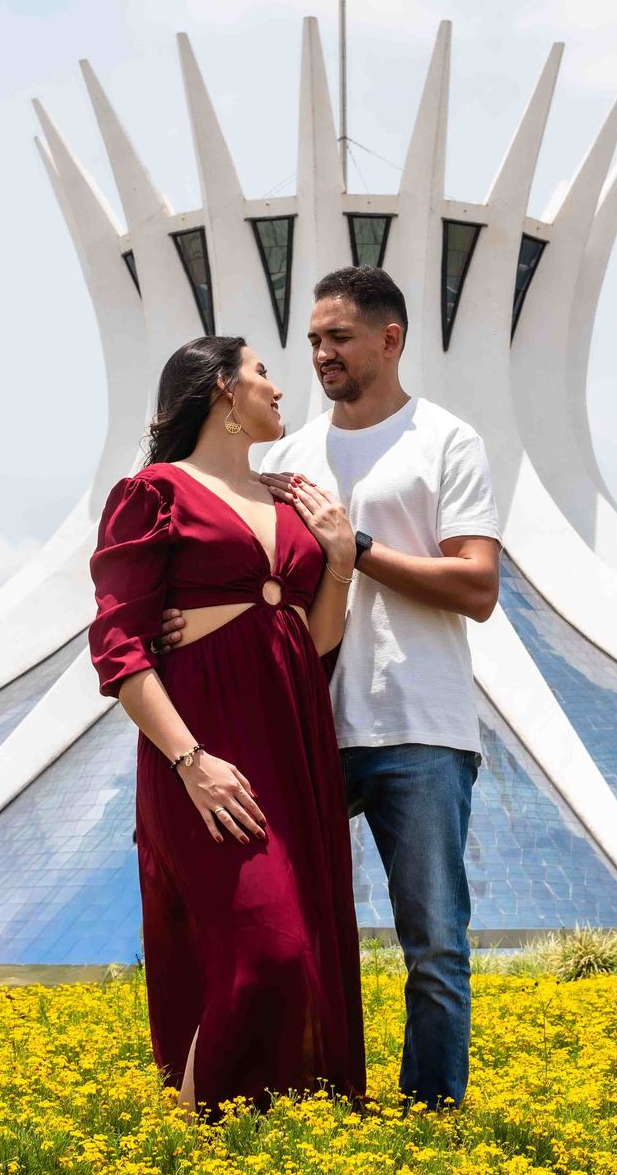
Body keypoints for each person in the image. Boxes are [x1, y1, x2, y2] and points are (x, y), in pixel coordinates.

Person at [160, 267, 500, 1109]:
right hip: (298, 723)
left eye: (339, 337)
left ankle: (432, 1117)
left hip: (418, 727)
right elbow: (252, 573)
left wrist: (358, 549)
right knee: (280, 923)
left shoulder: (446, 441)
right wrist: (189, 617)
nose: (320, 354)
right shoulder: (285, 455)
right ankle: (292, 1099)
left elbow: (478, 587)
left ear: (391, 338)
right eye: (313, 340)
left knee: (434, 943)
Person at [88, 334, 366, 1119]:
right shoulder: (154, 493)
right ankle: (192, 1138)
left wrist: (339, 563)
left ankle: (255, 1146)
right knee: (266, 950)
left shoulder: (291, 503)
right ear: (221, 389)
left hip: (293, 744)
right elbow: (119, 650)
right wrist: (192, 762)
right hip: (204, 751)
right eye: (261, 372)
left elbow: (313, 643)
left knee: (303, 953)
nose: (278, 387)